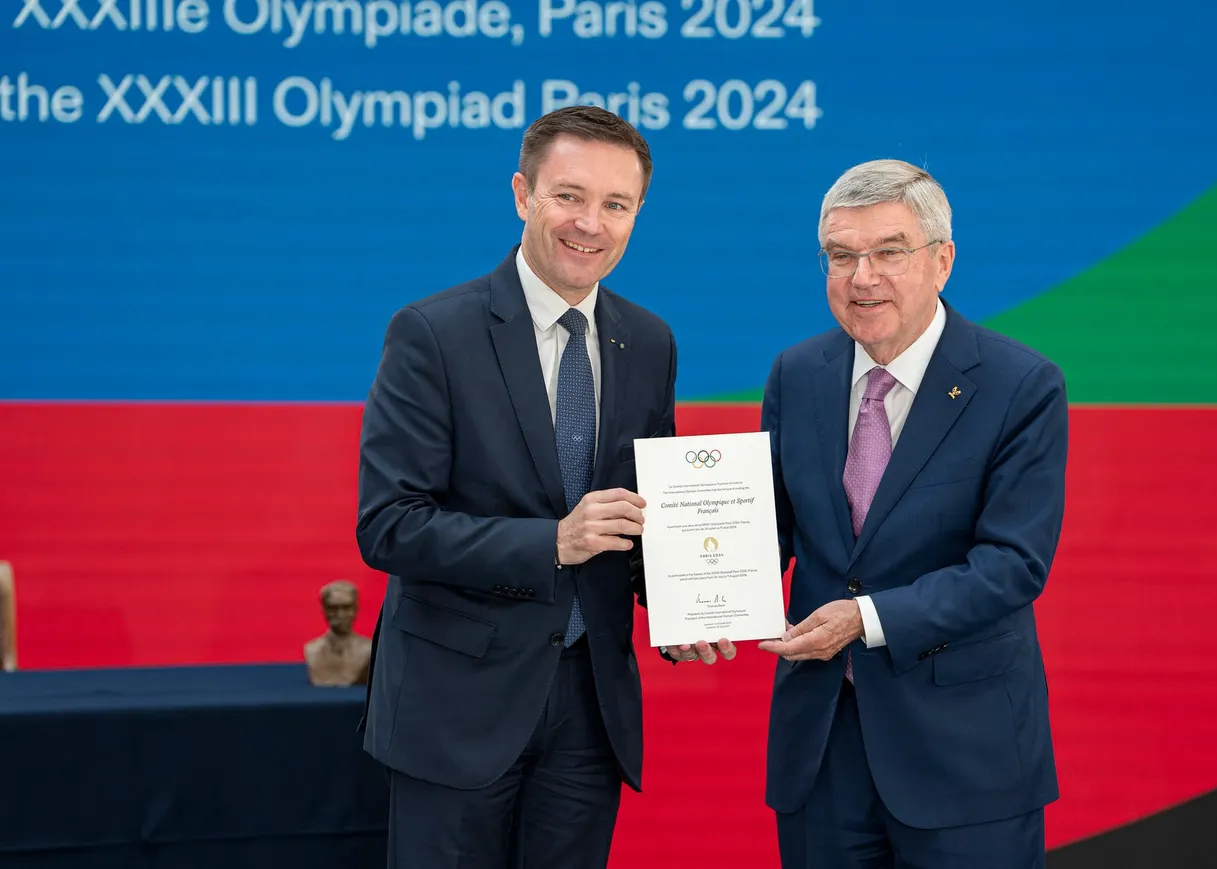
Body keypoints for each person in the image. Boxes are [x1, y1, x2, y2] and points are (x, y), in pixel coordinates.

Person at [355, 105, 703, 869]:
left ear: (639, 213)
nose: (591, 222)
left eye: (617, 204)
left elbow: (642, 512)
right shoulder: (432, 334)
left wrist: (680, 600)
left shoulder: (649, 341)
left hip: (589, 706)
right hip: (456, 705)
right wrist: (551, 541)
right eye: (568, 196)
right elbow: (389, 524)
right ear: (522, 194)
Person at [755, 159, 1068, 868]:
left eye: (889, 251)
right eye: (842, 255)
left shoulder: (1022, 386)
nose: (863, 277)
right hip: (823, 748)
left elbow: (1012, 565)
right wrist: (693, 604)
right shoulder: (796, 374)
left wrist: (864, 619)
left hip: (965, 757)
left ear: (942, 260)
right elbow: (765, 531)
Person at [303, 579, 371, 686]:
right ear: (324, 610)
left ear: (355, 609)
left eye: (346, 607)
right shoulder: (312, 649)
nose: (340, 615)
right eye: (333, 608)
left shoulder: (369, 649)